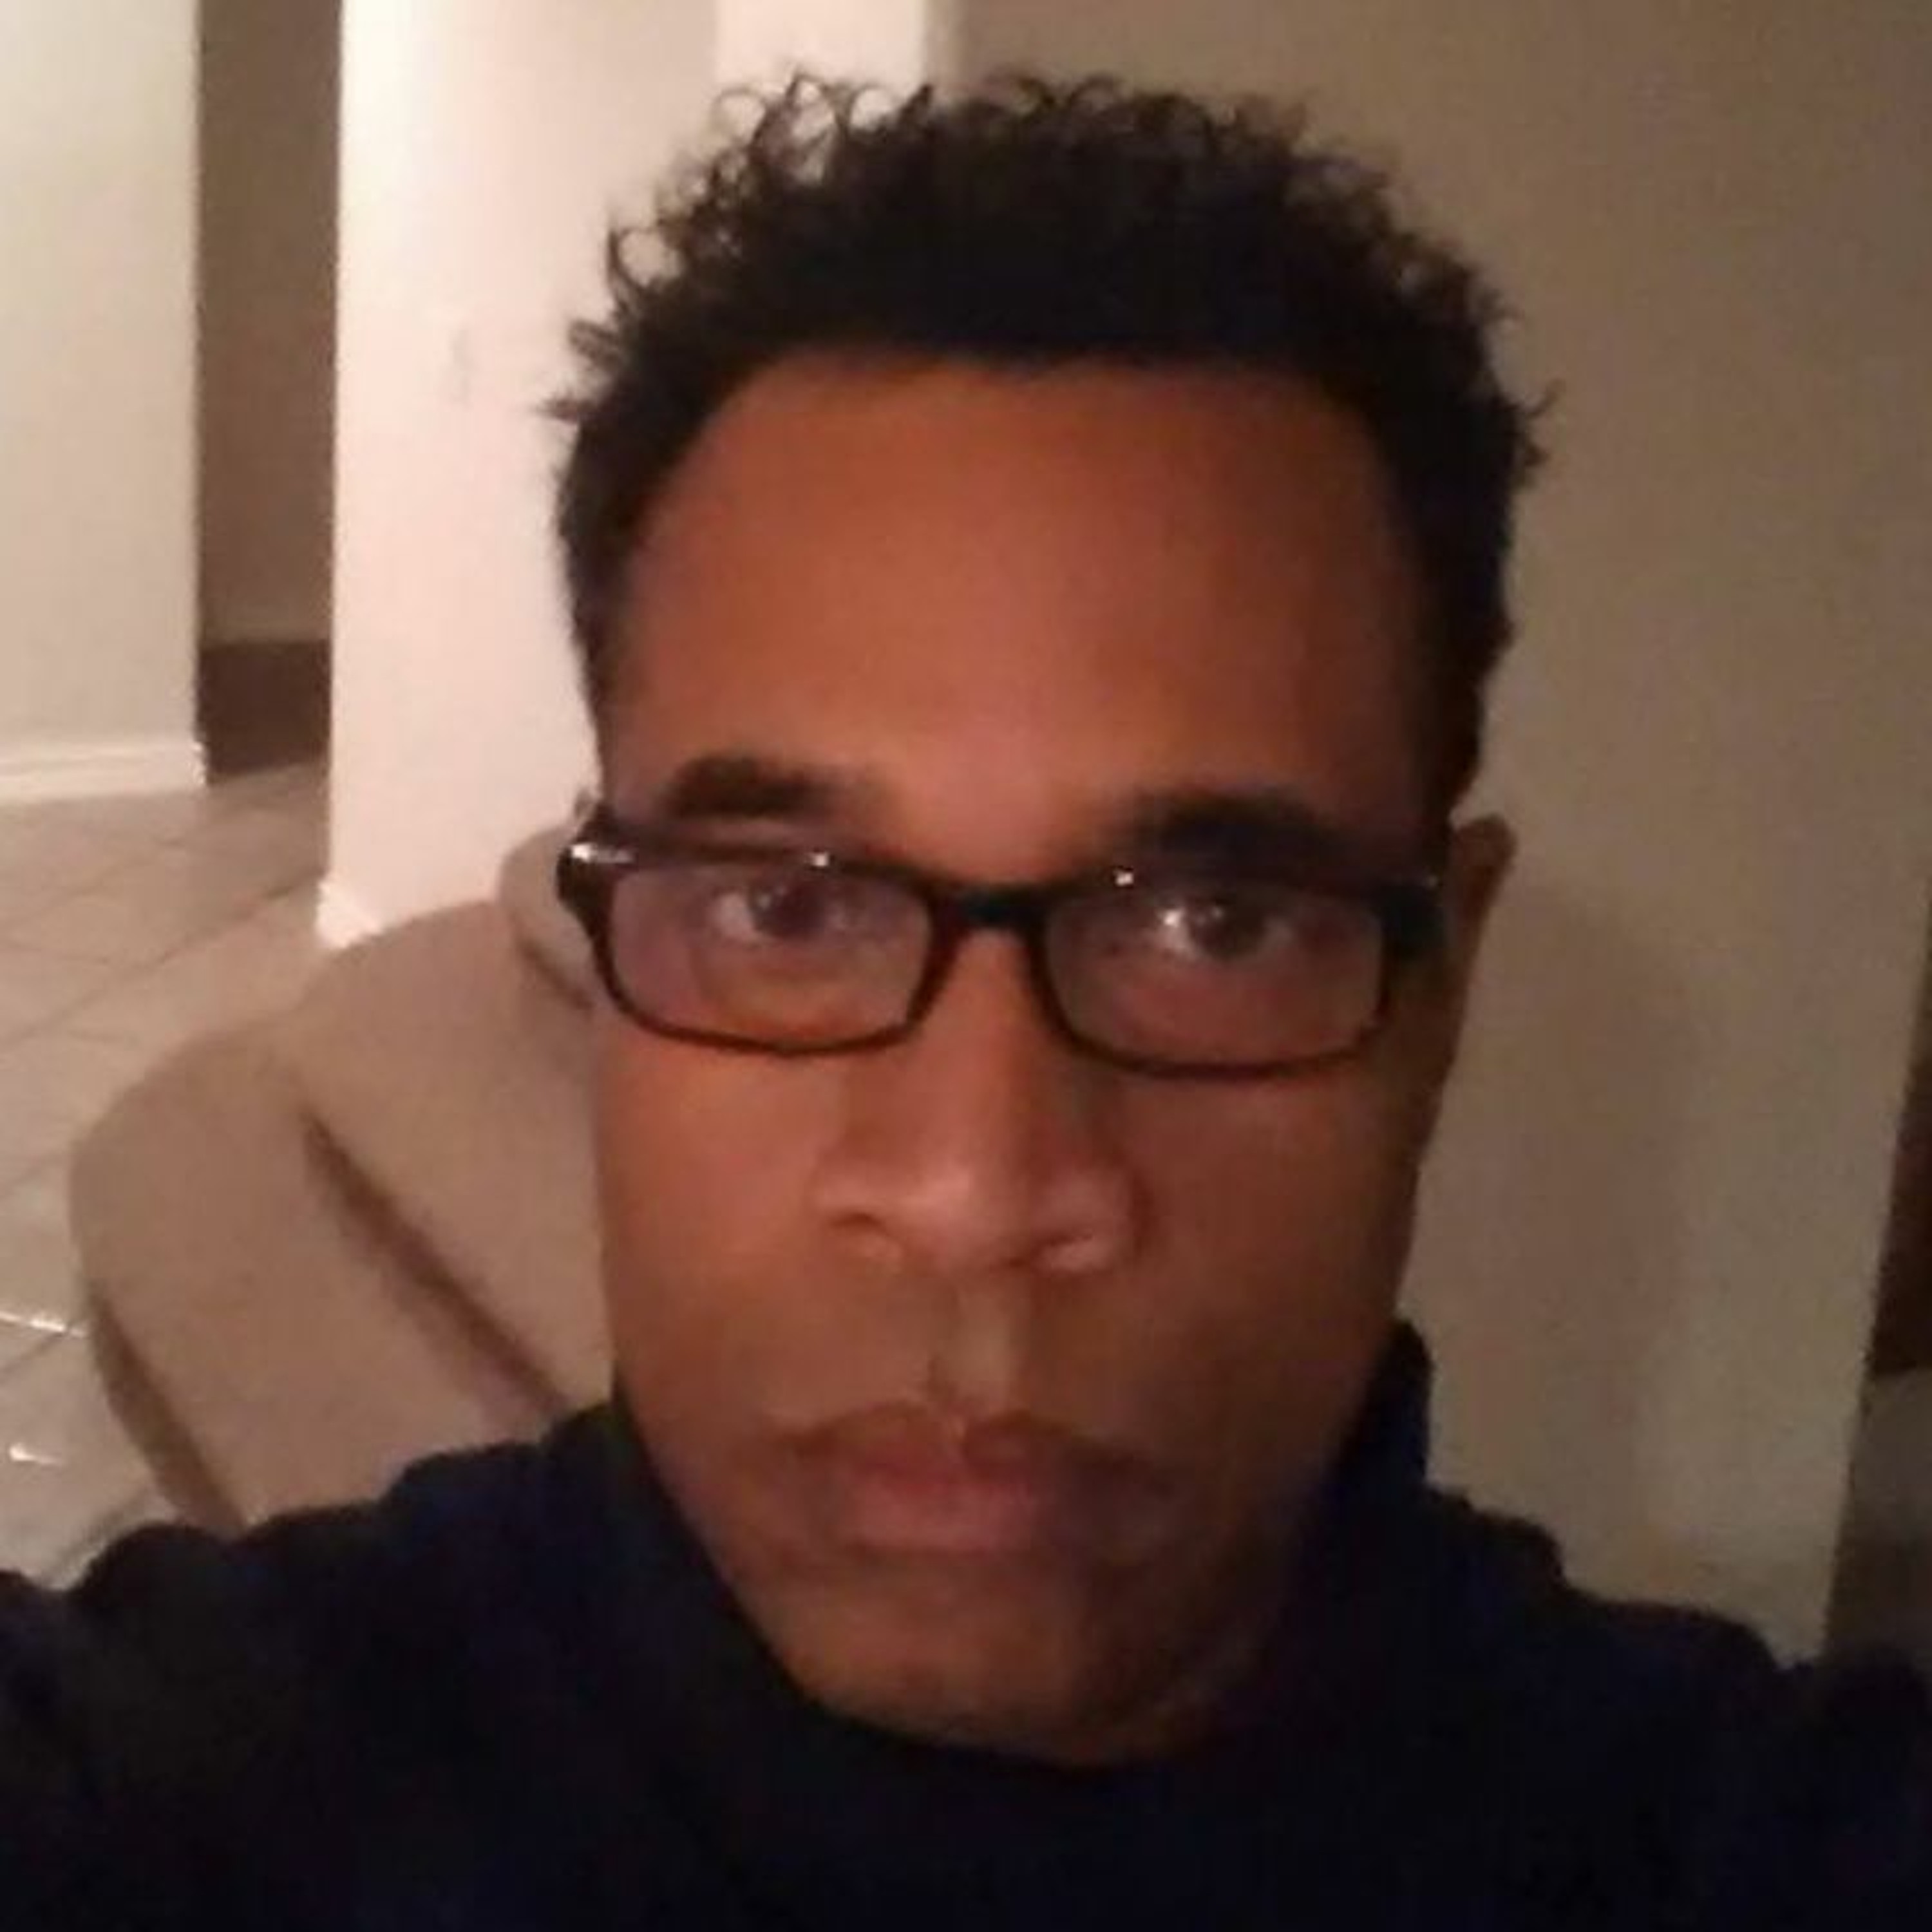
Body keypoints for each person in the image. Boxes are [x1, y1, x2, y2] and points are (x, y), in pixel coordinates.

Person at [3, 72, 1927, 1929]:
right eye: (785, 905)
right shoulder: (192, 1785)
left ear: (1443, 985)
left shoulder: (1758, 1838)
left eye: (1216, 923)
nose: (978, 1189)